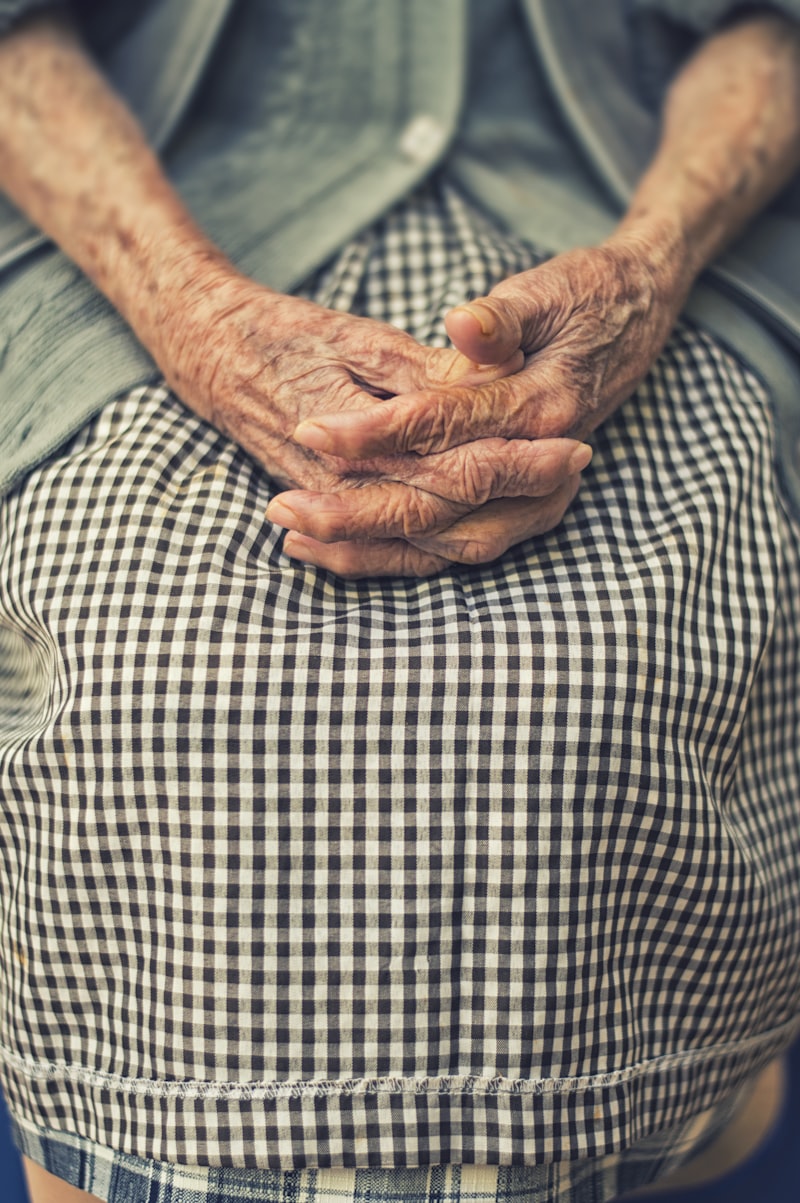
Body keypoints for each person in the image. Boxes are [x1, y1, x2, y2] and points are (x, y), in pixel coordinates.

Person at [0, 1, 799, 1201]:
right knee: (153, 674)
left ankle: (693, 1120)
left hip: (638, 209)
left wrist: (651, 264)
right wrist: (193, 312)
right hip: (141, 224)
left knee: (618, 660)